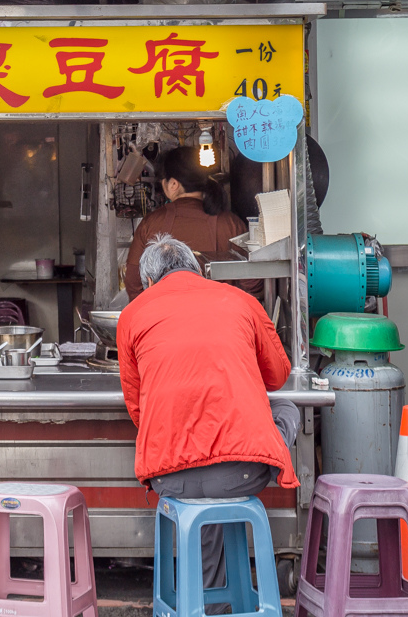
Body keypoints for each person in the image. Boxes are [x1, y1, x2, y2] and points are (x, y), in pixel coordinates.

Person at [117, 235, 300, 614]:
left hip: (170, 476)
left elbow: (137, 409)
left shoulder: (133, 314)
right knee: (286, 408)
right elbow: (279, 375)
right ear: (199, 270)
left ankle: (208, 605)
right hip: (243, 472)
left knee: (202, 487)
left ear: (150, 282)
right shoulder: (241, 302)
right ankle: (216, 603)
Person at [124, 146, 252, 302]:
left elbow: (133, 284)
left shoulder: (150, 224)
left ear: (173, 184)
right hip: (221, 320)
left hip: (165, 321)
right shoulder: (231, 224)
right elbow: (252, 285)